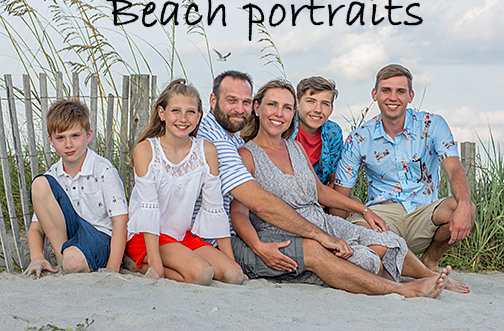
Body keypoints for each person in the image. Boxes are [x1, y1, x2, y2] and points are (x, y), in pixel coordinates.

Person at [197, 70, 451, 298]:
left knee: (386, 240)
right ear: (258, 108)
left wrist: (363, 210)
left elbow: (319, 191)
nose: (279, 113)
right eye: (272, 105)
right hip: (283, 231)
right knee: (364, 258)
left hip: (319, 220)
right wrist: (257, 245)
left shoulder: (295, 147)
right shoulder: (245, 154)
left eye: (286, 107)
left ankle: (426, 276)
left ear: (293, 112)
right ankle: (400, 289)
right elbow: (240, 211)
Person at [334, 64, 476, 273]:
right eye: (386, 90)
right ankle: (419, 273)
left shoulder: (433, 124)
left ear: (410, 95)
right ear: (375, 94)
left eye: (400, 91)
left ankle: (429, 261)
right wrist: (337, 237)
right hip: (381, 217)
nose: (393, 97)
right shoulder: (359, 138)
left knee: (466, 207)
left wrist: (464, 203)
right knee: (357, 230)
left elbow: (455, 169)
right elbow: (341, 195)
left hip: (424, 213)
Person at [125, 79, 244, 285]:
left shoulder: (206, 150)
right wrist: (155, 264)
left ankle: (178, 263)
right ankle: (136, 263)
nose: (183, 118)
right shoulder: (146, 150)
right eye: (175, 111)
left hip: (183, 235)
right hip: (147, 236)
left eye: (190, 112)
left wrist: (230, 262)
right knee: (202, 273)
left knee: (233, 276)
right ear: (162, 114)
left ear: (199, 116)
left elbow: (214, 207)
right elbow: (149, 208)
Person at [23, 99, 128, 279]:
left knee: (74, 261)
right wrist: (37, 257)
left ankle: (72, 262)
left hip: (99, 236)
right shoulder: (52, 176)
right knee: (39, 183)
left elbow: (120, 221)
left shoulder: (103, 170)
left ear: (88, 135)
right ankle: (66, 259)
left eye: (75, 136)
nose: (68, 144)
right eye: (60, 138)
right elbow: (36, 228)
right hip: (69, 238)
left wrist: (113, 267)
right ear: (51, 140)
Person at [289, 76, 345, 217]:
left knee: (352, 202)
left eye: (325, 104)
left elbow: (334, 180)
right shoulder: (286, 128)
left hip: (319, 199)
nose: (318, 109)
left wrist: (320, 202)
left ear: (331, 109)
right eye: (311, 101)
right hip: (287, 200)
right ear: (297, 103)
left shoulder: (333, 132)